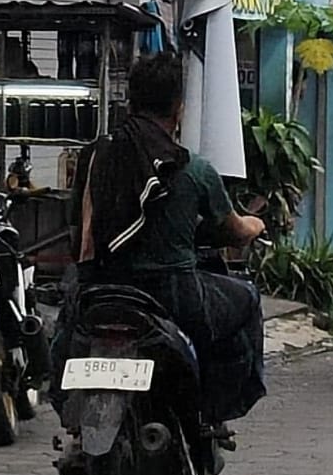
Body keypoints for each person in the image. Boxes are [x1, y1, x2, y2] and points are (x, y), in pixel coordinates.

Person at [68, 51, 267, 431]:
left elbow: (77, 228)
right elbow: (234, 231)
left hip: (99, 289)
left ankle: (71, 414)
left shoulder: (96, 156)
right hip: (173, 295)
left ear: (131, 100)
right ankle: (214, 412)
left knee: (68, 331)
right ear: (179, 107)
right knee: (247, 298)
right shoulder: (193, 168)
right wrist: (255, 225)